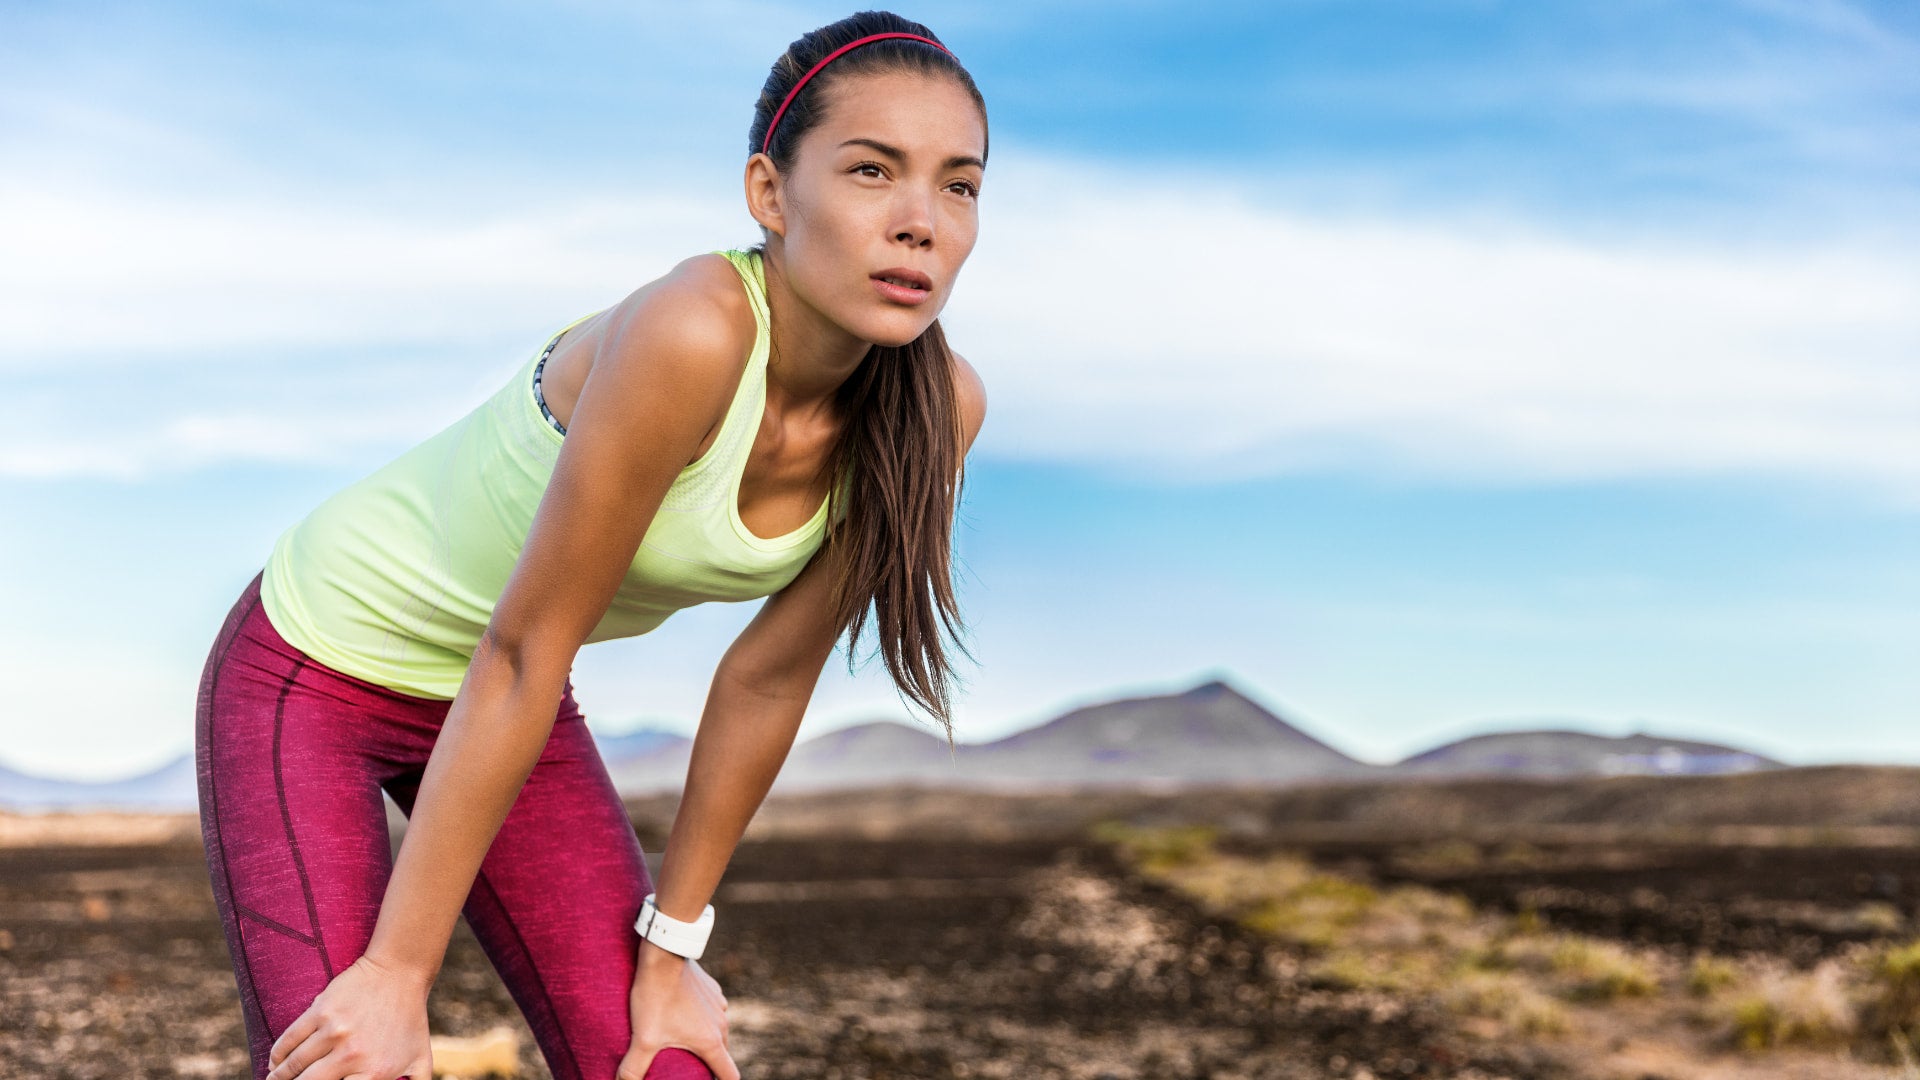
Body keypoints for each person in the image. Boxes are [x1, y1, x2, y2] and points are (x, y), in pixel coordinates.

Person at [193, 11, 989, 1080]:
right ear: (769, 193)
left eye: (960, 185)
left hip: (504, 711)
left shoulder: (936, 410)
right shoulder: (693, 330)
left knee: (668, 1061)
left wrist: (673, 952)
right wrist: (397, 975)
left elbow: (765, 679)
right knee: (354, 1061)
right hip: (315, 670)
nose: (919, 221)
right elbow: (525, 648)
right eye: (870, 171)